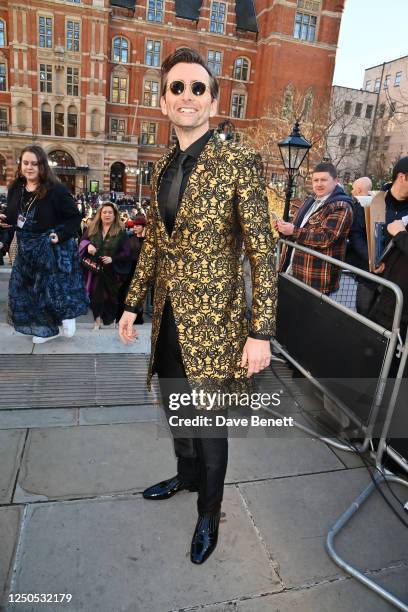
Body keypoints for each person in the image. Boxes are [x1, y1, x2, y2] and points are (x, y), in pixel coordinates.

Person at [118, 47, 276, 564]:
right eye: (177, 88)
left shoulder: (238, 160)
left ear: (212, 99)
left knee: (209, 426)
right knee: (175, 408)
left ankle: (209, 513)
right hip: (167, 318)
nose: (187, 96)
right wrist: (130, 303)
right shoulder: (163, 166)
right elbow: (156, 245)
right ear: (164, 102)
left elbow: (262, 249)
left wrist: (261, 332)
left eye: (198, 87)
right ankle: (185, 479)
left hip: (215, 326)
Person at [4, 145, 88, 343]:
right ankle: (46, 327)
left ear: (42, 166)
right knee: (29, 291)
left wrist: (58, 235)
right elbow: (15, 215)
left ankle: (65, 317)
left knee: (53, 290)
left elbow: (75, 218)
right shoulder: (15, 188)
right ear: (20, 165)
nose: (30, 167)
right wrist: (5, 218)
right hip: (26, 249)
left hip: (50, 248)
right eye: (26, 163)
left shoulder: (56, 189)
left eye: (35, 163)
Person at [276, 162, 353, 295]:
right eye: (315, 180)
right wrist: (283, 228)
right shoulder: (310, 200)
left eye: (323, 180)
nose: (319, 184)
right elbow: (299, 228)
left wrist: (293, 231)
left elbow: (326, 238)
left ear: (336, 181)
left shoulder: (341, 206)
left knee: (308, 315)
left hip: (316, 279)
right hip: (292, 269)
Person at [79, 202, 130, 330]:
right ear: (100, 214)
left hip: (112, 271)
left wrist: (113, 258)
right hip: (95, 269)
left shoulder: (120, 231)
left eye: (110, 212)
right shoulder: (91, 229)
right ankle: (97, 321)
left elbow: (127, 251)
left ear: (114, 215)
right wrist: (88, 245)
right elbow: (82, 241)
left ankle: (111, 321)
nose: (107, 215)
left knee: (111, 297)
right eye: (104, 212)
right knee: (95, 295)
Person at [346, 176, 374, 314]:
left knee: (363, 308)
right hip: (376, 262)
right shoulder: (379, 204)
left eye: (353, 189)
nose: (351, 191)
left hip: (364, 265)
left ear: (358, 190)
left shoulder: (358, 208)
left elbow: (356, 237)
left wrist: (371, 258)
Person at [116, 216, 146, 324]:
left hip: (141, 270)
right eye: (134, 225)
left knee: (138, 295)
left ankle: (137, 318)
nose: (135, 227)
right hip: (128, 270)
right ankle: (121, 317)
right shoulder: (129, 237)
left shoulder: (147, 240)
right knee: (124, 293)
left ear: (143, 227)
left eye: (137, 226)